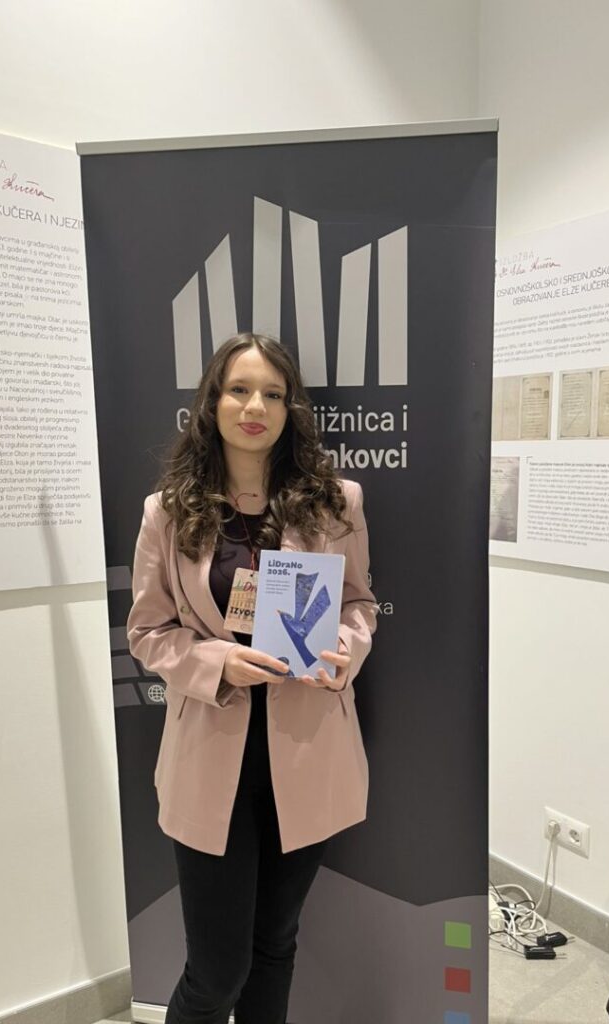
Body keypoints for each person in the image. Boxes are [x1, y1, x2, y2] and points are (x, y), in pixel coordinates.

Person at [126, 332, 378, 1024]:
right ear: (212, 403)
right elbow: (146, 632)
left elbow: (358, 604)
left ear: (290, 407)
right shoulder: (167, 511)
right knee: (216, 973)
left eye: (272, 393)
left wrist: (344, 652)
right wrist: (216, 662)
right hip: (212, 760)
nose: (255, 406)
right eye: (239, 390)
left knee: (275, 946)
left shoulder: (336, 501)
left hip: (308, 753)